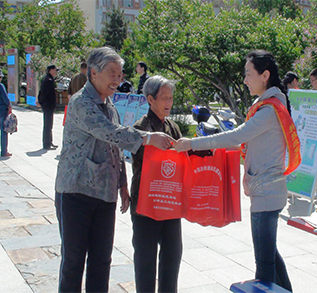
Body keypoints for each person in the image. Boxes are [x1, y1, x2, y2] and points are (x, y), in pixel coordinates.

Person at [54, 47, 176, 293]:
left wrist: (121, 183)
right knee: (74, 262)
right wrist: (148, 137)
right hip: (76, 192)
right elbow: (109, 132)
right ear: (93, 72)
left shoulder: (110, 106)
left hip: (105, 194)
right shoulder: (81, 103)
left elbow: (116, 148)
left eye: (120, 74)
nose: (117, 80)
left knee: (102, 261)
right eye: (112, 73)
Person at [175, 50, 295, 291]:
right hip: (267, 189)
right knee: (270, 254)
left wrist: (191, 143)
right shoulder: (266, 105)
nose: (244, 80)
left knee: (264, 266)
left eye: (248, 74)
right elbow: (241, 137)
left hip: (266, 193)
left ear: (265, 75)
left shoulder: (270, 110)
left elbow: (238, 136)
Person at [130, 75, 182, 293]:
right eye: (164, 98)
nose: (169, 103)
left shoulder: (172, 127)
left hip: (169, 202)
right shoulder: (141, 128)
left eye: (171, 98)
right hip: (146, 202)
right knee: (145, 260)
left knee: (172, 254)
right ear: (150, 99)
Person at [38, 64, 58, 150]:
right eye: (55, 70)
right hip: (48, 105)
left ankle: (49, 142)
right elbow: (44, 93)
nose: (56, 72)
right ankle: (46, 144)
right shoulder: (48, 80)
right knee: (48, 125)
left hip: (48, 105)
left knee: (49, 125)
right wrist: (41, 102)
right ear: (51, 70)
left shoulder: (47, 79)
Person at [0, 71, 12, 157]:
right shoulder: (0, 86)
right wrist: (9, 106)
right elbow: (5, 99)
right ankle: (4, 151)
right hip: (2, 110)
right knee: (4, 131)